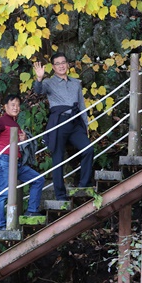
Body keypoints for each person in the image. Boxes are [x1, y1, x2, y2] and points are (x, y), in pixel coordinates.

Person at [33, 53, 94, 200]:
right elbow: (38, 91)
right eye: (57, 63)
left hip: (75, 122)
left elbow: (82, 105)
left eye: (63, 62)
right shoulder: (49, 82)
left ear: (67, 64)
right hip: (59, 122)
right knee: (58, 158)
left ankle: (84, 184)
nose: (61, 65)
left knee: (88, 149)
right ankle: (60, 195)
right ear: (53, 67)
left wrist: (85, 125)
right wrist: (39, 78)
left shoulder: (75, 83)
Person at [0, 94, 45, 230]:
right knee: (4, 192)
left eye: (18, 105)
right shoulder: (2, 120)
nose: (16, 108)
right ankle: (0, 225)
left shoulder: (14, 123)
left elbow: (15, 143)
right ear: (5, 107)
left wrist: (22, 140)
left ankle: (31, 210)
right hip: (5, 160)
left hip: (16, 162)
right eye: (12, 105)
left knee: (38, 180)